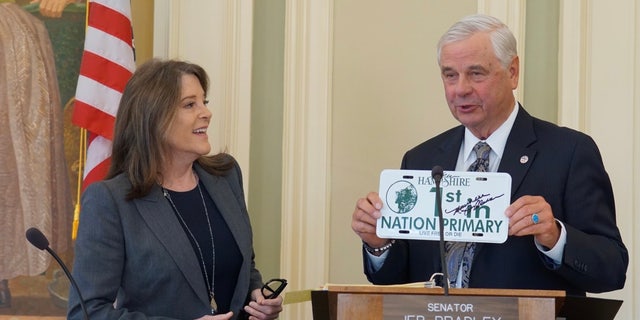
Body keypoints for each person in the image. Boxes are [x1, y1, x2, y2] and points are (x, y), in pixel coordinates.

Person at [351, 14, 628, 295]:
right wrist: (379, 243)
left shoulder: (568, 152)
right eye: (450, 75)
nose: (460, 89)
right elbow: (397, 280)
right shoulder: (421, 160)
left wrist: (555, 237)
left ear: (513, 72)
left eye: (476, 73)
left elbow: (612, 270)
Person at [68, 59, 284, 319]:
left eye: (204, 102)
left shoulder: (226, 176)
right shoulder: (110, 201)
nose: (206, 112)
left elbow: (243, 266)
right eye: (190, 104)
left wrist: (257, 297)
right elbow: (86, 313)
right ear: (154, 118)